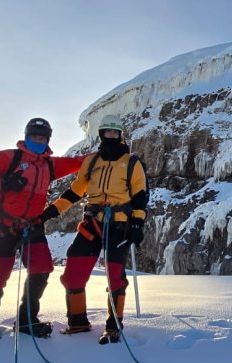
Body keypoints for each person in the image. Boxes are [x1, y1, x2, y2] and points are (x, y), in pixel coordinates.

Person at [0, 118, 87, 341]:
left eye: (43, 138)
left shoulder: (49, 165)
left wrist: (106, 154)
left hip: (32, 227)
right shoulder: (7, 158)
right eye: (35, 137)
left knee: (42, 269)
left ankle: (26, 321)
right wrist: (3, 183)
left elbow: (77, 162)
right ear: (26, 137)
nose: (39, 141)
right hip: (3, 226)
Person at [37, 114, 149, 344]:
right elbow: (75, 191)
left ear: (120, 135)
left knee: (115, 278)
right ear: (101, 135)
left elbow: (140, 196)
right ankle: (77, 322)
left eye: (114, 133)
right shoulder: (91, 162)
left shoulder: (132, 163)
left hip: (119, 225)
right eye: (107, 132)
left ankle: (113, 326)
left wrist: (137, 222)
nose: (110, 136)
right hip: (92, 224)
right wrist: (52, 211)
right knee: (72, 274)